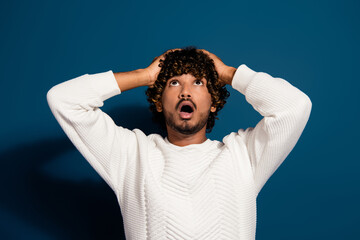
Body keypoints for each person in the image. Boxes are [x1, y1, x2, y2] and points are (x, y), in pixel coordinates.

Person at [47, 46, 312, 239]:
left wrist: (229, 73)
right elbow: (63, 100)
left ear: (213, 102)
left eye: (198, 82)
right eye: (174, 83)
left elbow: (294, 107)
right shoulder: (130, 155)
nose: (185, 90)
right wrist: (145, 75)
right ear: (159, 102)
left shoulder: (242, 155)